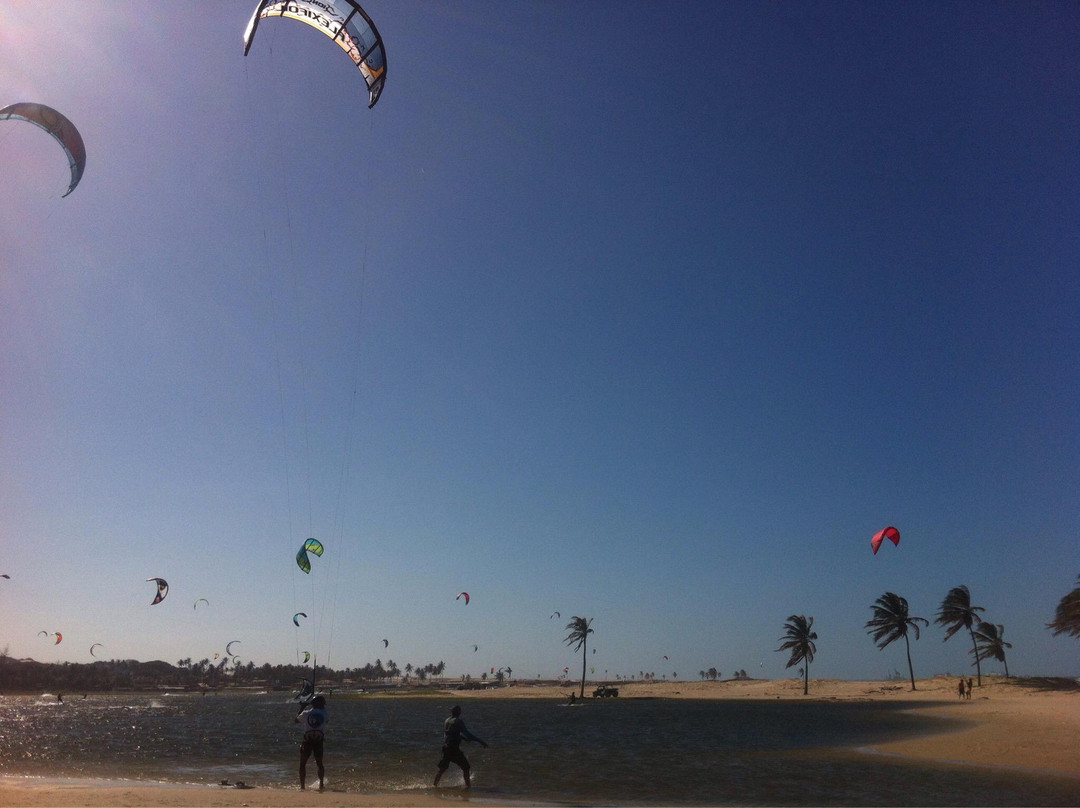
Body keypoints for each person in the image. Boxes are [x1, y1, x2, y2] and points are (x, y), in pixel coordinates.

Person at [434, 705, 488, 789]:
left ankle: (434, 785)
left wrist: (462, 738)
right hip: (453, 749)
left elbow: (449, 734)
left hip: (446, 747)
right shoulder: (458, 721)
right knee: (466, 767)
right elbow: (468, 734)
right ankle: (468, 787)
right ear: (459, 712)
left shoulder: (447, 720)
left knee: (442, 769)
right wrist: (480, 741)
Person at [295, 695, 328, 791]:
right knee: (319, 763)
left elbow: (296, 720)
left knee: (303, 764)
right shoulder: (325, 713)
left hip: (307, 740)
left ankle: (302, 786)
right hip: (318, 741)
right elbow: (326, 721)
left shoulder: (306, 713)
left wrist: (302, 707)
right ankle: (321, 784)